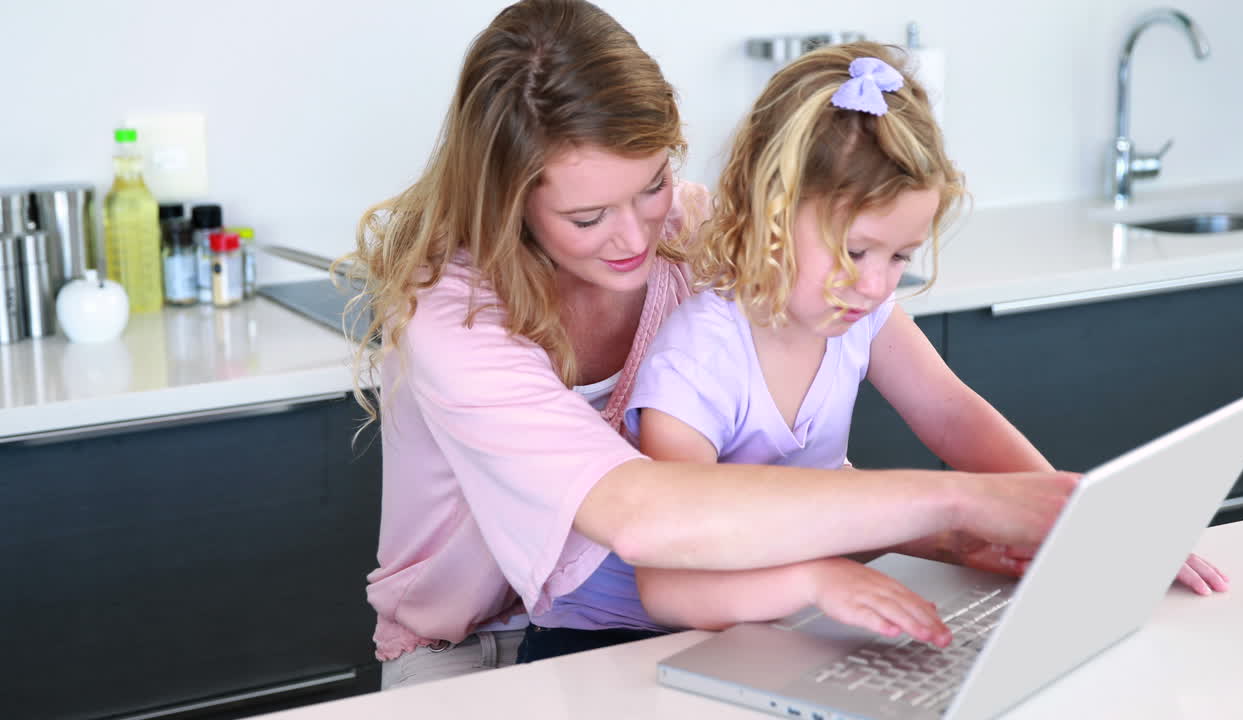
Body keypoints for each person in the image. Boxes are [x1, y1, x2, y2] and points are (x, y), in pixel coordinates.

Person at [347, 0, 1077, 688]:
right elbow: (643, 517)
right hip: (477, 653)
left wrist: (1060, 525)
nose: (635, 237)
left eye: (653, 182)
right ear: (509, 203)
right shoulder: (454, 317)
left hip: (690, 620)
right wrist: (957, 506)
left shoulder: (696, 235)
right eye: (588, 215)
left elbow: (904, 407)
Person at [618, 42, 1230, 636]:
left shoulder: (857, 310)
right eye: (854, 250)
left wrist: (1070, 520)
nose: (876, 283)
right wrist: (816, 581)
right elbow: (672, 588)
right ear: (769, 211)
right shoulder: (696, 361)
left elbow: (953, 414)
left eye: (900, 256)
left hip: (798, 613)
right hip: (675, 635)